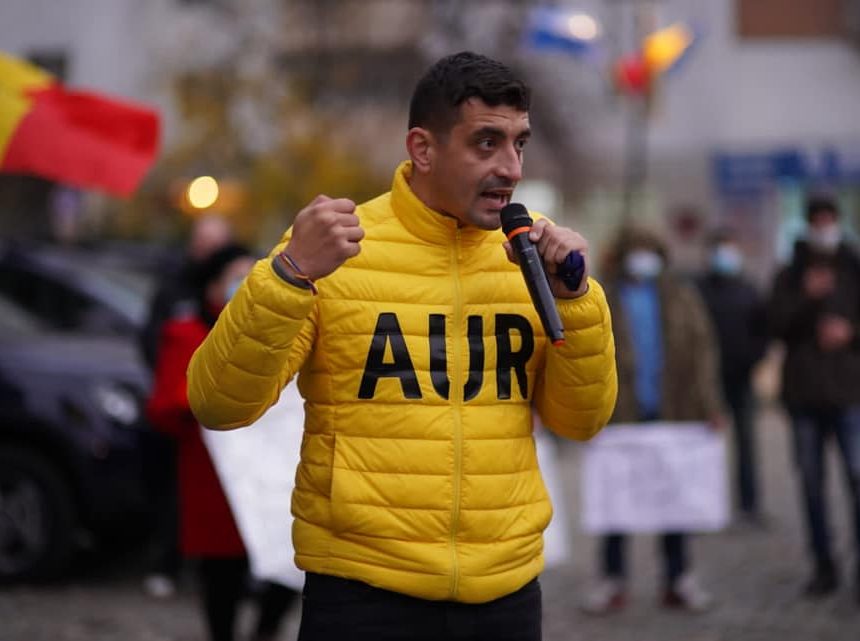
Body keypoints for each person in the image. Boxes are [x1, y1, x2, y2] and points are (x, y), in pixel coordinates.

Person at [186, 51, 618, 641]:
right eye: (486, 143)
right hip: (364, 593)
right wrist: (288, 273)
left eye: (520, 143)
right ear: (423, 148)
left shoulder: (531, 255)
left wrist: (576, 300)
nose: (511, 166)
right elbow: (219, 403)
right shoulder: (334, 247)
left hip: (505, 592)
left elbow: (581, 420)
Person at [146, 244, 298, 641]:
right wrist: (204, 398)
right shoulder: (186, 334)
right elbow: (164, 407)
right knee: (222, 577)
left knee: (287, 561)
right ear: (212, 284)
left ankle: (265, 630)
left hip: (273, 477)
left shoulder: (281, 336)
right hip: (213, 483)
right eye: (236, 277)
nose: (244, 286)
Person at [581, 226, 726, 615]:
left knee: (673, 500)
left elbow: (703, 352)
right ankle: (613, 580)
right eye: (636, 250)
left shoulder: (680, 296)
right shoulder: (601, 296)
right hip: (621, 415)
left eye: (650, 250)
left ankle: (678, 579)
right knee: (616, 501)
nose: (643, 258)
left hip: (673, 413)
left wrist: (711, 405)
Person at [768, 195, 860, 603]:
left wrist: (850, 333)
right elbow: (771, 324)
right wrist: (806, 297)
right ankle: (823, 566)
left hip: (850, 391)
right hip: (804, 394)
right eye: (817, 220)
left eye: (829, 219)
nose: (824, 226)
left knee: (856, 478)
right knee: (811, 484)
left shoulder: (854, 267)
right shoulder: (790, 273)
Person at [139, 213, 234, 598]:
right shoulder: (174, 289)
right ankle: (169, 564)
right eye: (201, 241)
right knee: (175, 495)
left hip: (226, 416)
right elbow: (152, 338)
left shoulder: (239, 285)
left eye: (214, 243)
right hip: (183, 415)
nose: (206, 250)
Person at [696, 227, 769, 524]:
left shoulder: (747, 288)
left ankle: (749, 504)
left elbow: (763, 329)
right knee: (702, 444)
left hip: (741, 376)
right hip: (706, 380)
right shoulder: (698, 289)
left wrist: (753, 358)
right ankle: (701, 505)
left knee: (746, 443)